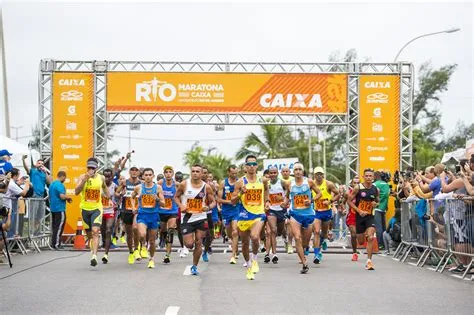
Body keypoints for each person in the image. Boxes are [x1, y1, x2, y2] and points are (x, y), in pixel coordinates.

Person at [231, 155, 270, 280]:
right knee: (245, 243)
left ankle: (254, 259)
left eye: (254, 164)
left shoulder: (262, 180)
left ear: (257, 166)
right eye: (249, 164)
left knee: (254, 236)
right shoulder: (240, 182)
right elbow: (232, 201)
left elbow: (266, 190)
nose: (252, 167)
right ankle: (248, 266)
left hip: (258, 214)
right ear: (245, 167)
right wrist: (241, 193)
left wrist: (267, 201)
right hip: (243, 215)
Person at [174, 164, 216, 275]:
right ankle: (189, 249)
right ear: (190, 172)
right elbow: (176, 197)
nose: (195, 173)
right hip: (187, 218)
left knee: (198, 242)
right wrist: (181, 206)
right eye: (193, 171)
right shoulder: (184, 184)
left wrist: (208, 207)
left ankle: (194, 266)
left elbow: (213, 202)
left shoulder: (206, 187)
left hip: (201, 217)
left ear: (202, 173)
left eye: (198, 171)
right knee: (189, 244)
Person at [285, 163, 321, 274]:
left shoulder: (309, 182)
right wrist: (284, 203)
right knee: (297, 238)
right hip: (295, 214)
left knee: (305, 242)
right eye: (296, 169)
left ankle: (305, 250)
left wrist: (311, 200)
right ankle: (304, 263)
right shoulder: (289, 183)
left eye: (300, 169)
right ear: (293, 172)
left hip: (308, 215)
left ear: (303, 171)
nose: (298, 171)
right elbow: (287, 196)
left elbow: (319, 193)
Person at [74, 157, 110, 267]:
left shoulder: (101, 178)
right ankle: (91, 243)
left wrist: (108, 197)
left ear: (96, 168)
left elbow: (104, 188)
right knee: (89, 234)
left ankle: (94, 256)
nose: (91, 169)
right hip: (85, 208)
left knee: (95, 231)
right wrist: (84, 180)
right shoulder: (82, 177)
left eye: (93, 168)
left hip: (96, 208)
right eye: (89, 167)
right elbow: (76, 192)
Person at [131, 168, 165, 269]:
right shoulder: (138, 188)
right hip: (142, 215)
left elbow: (163, 203)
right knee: (141, 234)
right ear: (143, 177)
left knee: (152, 241)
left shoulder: (158, 188)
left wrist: (158, 199)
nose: (148, 177)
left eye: (150, 175)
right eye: (146, 175)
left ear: (153, 176)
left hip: (154, 215)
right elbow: (132, 197)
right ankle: (143, 245)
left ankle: (151, 259)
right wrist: (133, 207)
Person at [348, 168, 380, 271]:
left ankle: (369, 261)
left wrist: (376, 204)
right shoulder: (358, 188)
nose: (368, 178)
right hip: (359, 217)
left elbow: (377, 200)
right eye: (366, 176)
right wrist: (358, 210)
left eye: (370, 176)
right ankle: (364, 236)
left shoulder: (376, 189)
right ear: (363, 177)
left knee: (370, 238)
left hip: (370, 217)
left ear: (373, 177)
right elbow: (349, 201)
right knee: (361, 242)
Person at [115, 166, 143, 264]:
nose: (134, 172)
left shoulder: (142, 183)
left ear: (139, 173)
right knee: (129, 233)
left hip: (138, 210)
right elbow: (116, 194)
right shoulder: (124, 183)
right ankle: (131, 252)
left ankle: (136, 249)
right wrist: (121, 193)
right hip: (126, 210)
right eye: (132, 170)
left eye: (136, 171)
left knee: (136, 229)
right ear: (129, 172)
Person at [312, 166, 339, 264]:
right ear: (314, 175)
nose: (319, 176)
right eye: (317, 174)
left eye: (321, 174)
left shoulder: (329, 184)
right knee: (316, 231)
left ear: (323, 175)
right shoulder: (311, 184)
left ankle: (323, 240)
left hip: (326, 211)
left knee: (324, 233)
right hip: (316, 211)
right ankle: (316, 254)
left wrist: (330, 201)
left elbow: (338, 194)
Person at [22, 155, 52, 235]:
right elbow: (26, 168)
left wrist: (45, 171)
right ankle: (30, 233)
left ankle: (36, 231)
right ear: (36, 164)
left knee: (40, 216)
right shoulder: (33, 171)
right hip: (34, 195)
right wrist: (23, 160)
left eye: (42, 164)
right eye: (39, 163)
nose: (41, 165)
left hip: (41, 196)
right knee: (33, 215)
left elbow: (49, 182)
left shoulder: (43, 173)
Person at [265, 166, 289, 264]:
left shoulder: (282, 182)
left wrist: (284, 200)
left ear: (277, 173)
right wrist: (266, 202)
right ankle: (273, 254)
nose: (273, 175)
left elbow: (289, 191)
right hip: (271, 210)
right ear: (269, 174)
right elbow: (264, 194)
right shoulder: (266, 183)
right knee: (272, 231)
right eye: (271, 173)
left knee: (280, 231)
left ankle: (285, 237)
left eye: (275, 173)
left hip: (281, 209)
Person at [217, 165, 240, 264]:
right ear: (228, 173)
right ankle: (235, 247)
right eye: (233, 173)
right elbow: (218, 199)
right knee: (230, 233)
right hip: (226, 211)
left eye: (236, 173)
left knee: (235, 232)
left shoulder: (240, 182)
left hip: (237, 210)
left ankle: (233, 255)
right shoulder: (223, 183)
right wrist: (229, 202)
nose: (234, 175)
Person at [157, 165, 179, 264]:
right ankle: (162, 237)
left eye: (170, 172)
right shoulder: (161, 183)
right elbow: (153, 190)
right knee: (163, 230)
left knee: (170, 231)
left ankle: (167, 255)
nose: (168, 174)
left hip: (172, 211)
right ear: (164, 174)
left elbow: (183, 194)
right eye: (166, 172)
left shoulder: (177, 184)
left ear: (173, 174)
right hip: (161, 211)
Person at [3, 169, 31, 238]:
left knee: (8, 226)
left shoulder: (11, 182)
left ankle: (8, 241)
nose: (19, 177)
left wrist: (18, 183)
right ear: (15, 176)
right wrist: (27, 184)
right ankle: (8, 242)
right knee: (8, 227)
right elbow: (23, 193)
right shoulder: (11, 183)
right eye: (18, 175)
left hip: (8, 207)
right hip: (8, 208)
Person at [49, 171, 72, 250]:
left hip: (53, 208)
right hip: (59, 208)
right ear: (62, 176)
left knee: (55, 227)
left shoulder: (52, 184)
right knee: (59, 227)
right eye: (65, 177)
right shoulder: (60, 185)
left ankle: (53, 243)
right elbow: (62, 196)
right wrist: (68, 198)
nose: (65, 179)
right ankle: (56, 244)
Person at [100, 169, 117, 263]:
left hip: (110, 211)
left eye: (109, 176)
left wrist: (119, 196)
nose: (107, 178)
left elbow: (118, 194)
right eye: (105, 176)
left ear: (112, 177)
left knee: (108, 229)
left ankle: (106, 254)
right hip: (100, 210)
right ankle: (104, 241)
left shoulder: (114, 186)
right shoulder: (99, 185)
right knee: (102, 230)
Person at [373, 171, 390, 250]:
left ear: (376, 177)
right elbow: (387, 195)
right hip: (383, 208)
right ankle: (384, 244)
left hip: (376, 207)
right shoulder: (386, 185)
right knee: (383, 227)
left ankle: (380, 244)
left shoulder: (375, 184)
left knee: (378, 227)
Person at [345, 175, 360, 261]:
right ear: (352, 184)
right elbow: (343, 202)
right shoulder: (348, 193)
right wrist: (343, 209)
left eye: (358, 183)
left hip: (362, 217)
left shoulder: (363, 193)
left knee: (360, 238)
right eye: (354, 183)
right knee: (353, 234)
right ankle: (354, 252)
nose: (356, 184)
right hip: (352, 216)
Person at [280, 166, 294, 254]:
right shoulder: (278, 180)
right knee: (282, 228)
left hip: (290, 205)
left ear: (289, 172)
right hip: (280, 206)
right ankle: (284, 238)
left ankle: (290, 244)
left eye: (287, 171)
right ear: (281, 173)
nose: (285, 173)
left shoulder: (293, 180)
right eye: (283, 171)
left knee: (288, 223)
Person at [174, 171, 188, 257]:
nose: (178, 179)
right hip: (175, 209)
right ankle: (183, 246)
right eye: (177, 178)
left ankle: (187, 245)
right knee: (179, 229)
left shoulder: (185, 185)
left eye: (180, 177)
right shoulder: (172, 185)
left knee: (186, 228)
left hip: (185, 209)